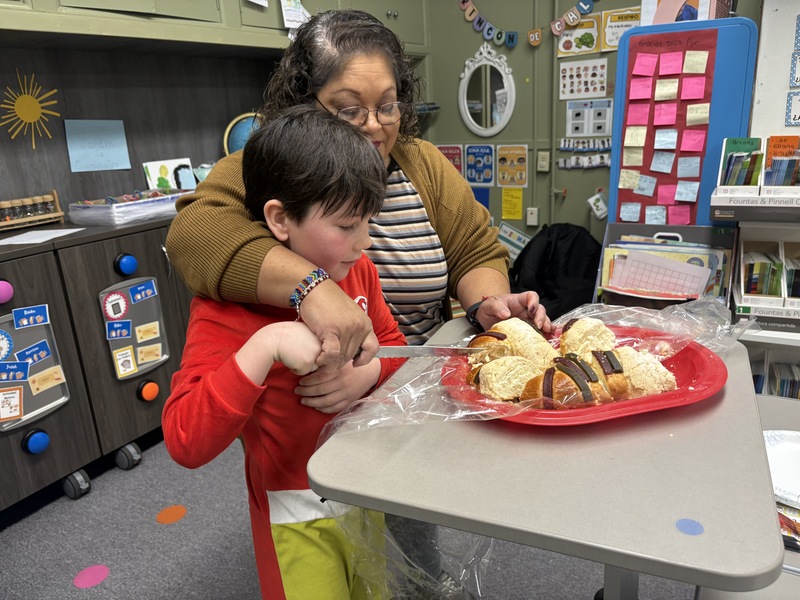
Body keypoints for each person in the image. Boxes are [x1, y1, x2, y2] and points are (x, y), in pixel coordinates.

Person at [164, 8, 551, 594]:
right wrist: (309, 291)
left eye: (388, 105)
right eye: (348, 109)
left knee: (405, 561)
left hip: (393, 407)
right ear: (303, 100)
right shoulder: (267, 169)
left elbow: (474, 252)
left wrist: (486, 306)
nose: (374, 125)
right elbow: (194, 237)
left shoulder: (417, 173)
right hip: (304, 483)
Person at [162, 106, 407, 600]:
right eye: (345, 226)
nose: (363, 244)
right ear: (278, 219)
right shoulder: (225, 308)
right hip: (295, 514)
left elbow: (397, 347)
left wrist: (368, 374)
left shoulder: (355, 273)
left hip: (365, 490)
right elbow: (185, 439)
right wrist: (264, 346)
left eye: (368, 223)